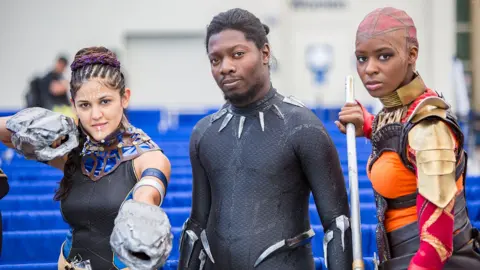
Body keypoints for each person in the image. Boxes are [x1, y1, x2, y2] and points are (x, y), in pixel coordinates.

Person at [178, 8, 353, 270]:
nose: (226, 67)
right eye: (215, 60)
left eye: (237, 54)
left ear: (265, 53)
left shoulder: (303, 127)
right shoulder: (204, 134)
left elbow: (337, 223)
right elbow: (197, 226)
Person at [0, 47, 173, 270]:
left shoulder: (148, 156)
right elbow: (6, 135)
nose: (95, 115)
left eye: (105, 101)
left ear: (124, 98)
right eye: (84, 105)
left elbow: (148, 192)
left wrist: (143, 211)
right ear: (73, 105)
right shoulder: (71, 150)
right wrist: (43, 122)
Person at [336, 7, 480, 269]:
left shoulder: (429, 127)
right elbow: (401, 144)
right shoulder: (403, 112)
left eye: (384, 56)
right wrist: (367, 124)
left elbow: (437, 246)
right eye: (361, 58)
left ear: (412, 55)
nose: (370, 69)